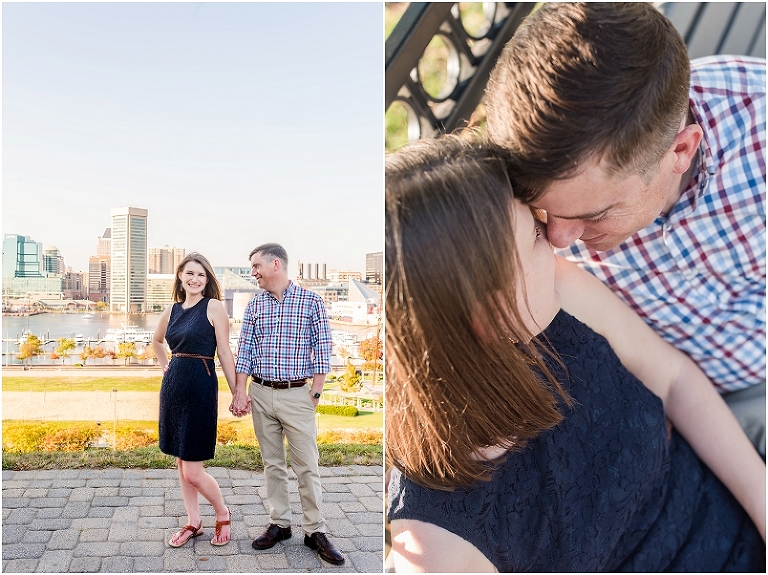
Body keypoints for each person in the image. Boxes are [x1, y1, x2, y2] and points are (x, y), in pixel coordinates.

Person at [385, 136, 765, 572]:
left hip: (735, 510)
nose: (558, 239)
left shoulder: (555, 293)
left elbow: (674, 378)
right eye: (534, 233)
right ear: (488, 314)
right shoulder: (438, 544)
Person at [485, 2, 766, 456]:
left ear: (681, 151)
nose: (558, 239)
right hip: (666, 415)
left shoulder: (760, 128)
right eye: (542, 212)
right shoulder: (513, 188)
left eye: (594, 215)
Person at [230, 242, 345, 566]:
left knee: (307, 465)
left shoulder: (311, 301)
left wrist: (316, 393)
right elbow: (246, 351)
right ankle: (279, 524)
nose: (253, 272)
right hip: (262, 393)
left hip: (298, 395)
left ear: (275, 264)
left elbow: (324, 348)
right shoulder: (254, 305)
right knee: (272, 464)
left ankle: (314, 531)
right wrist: (241, 392)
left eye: (256, 266)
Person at [152, 252, 237, 547]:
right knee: (180, 461)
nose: (195, 279)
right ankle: (194, 521)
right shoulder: (172, 310)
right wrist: (165, 364)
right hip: (173, 387)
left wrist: (237, 390)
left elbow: (224, 352)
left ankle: (223, 513)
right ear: (180, 275)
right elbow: (156, 340)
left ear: (207, 279)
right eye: (189, 273)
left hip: (200, 386)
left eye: (201, 275)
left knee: (193, 469)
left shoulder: (213, 307)